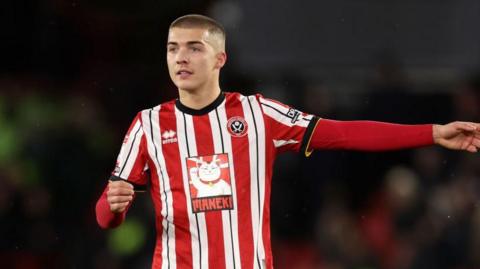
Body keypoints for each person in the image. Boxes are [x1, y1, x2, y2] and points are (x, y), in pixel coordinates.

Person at [95, 14, 480, 269]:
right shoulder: (147, 124)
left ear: (219, 59)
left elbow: (344, 133)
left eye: (194, 47)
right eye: (172, 48)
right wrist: (113, 207)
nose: (181, 57)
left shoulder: (258, 115)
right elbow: (107, 216)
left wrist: (431, 132)